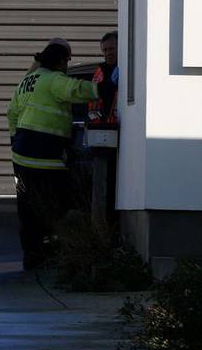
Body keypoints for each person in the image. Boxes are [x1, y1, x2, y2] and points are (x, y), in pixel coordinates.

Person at [7, 38, 99, 270]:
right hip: (45, 156)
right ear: (60, 61)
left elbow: (11, 112)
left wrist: (15, 140)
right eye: (67, 61)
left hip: (22, 156)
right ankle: (50, 253)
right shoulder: (55, 80)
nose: (68, 65)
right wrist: (105, 87)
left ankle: (32, 255)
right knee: (54, 206)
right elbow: (78, 90)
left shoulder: (27, 81)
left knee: (27, 208)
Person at [89, 31, 120, 125]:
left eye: (111, 49)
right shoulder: (100, 71)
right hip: (104, 128)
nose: (108, 53)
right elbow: (92, 102)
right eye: (105, 50)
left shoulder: (127, 70)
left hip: (124, 126)